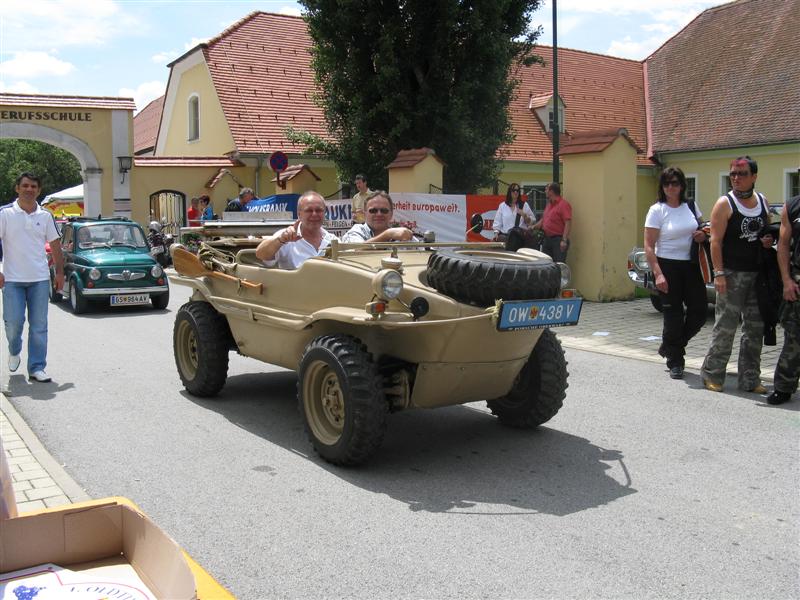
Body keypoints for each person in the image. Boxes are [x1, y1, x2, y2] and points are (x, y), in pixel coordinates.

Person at [701, 156, 771, 393]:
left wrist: (767, 240)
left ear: (754, 176)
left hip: (757, 275)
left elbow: (766, 231)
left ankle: (750, 379)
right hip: (731, 274)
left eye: (741, 174)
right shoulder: (725, 203)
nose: (736, 178)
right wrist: (718, 273)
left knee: (755, 329)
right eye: (732, 174)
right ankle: (713, 374)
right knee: (726, 327)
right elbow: (715, 242)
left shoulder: (762, 201)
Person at [643, 167, 708, 379]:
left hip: (690, 265)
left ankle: (670, 346)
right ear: (662, 187)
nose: (671, 187)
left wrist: (701, 235)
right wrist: (658, 274)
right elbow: (649, 246)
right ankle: (676, 361)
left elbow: (703, 228)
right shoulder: (657, 210)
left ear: (682, 185)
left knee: (698, 312)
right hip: (667, 265)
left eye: (676, 183)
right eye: (667, 183)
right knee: (673, 315)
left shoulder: (690, 206)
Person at [0, 172, 64, 383]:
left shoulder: (45, 216)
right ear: (17, 188)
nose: (29, 189)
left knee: (39, 326)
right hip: (11, 279)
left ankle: (37, 367)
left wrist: (60, 273)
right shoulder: (5, 213)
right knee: (14, 323)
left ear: (39, 190)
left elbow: (55, 245)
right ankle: (14, 349)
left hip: (39, 278)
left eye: (33, 186)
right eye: (25, 185)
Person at [767, 194, 800, 405]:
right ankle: (783, 387)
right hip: (797, 279)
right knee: (794, 337)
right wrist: (786, 280)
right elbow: (783, 244)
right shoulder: (793, 206)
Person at [255, 191, 336, 269]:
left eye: (319, 210)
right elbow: (260, 254)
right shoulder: (286, 237)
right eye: (309, 210)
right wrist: (281, 239)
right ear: (299, 214)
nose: (314, 214)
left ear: (324, 213)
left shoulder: (333, 241)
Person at [341, 191, 413, 243]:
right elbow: (355, 250)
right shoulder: (356, 231)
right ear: (365, 214)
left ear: (391, 214)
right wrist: (387, 235)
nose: (379, 214)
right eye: (373, 210)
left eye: (384, 210)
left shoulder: (402, 235)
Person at [534, 182, 573, 261]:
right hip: (547, 239)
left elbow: (568, 222)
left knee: (558, 265)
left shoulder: (563, 204)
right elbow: (543, 220)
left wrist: (564, 240)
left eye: (546, 189)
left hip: (558, 240)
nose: (545, 191)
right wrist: (533, 227)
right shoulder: (549, 205)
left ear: (551, 191)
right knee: (546, 264)